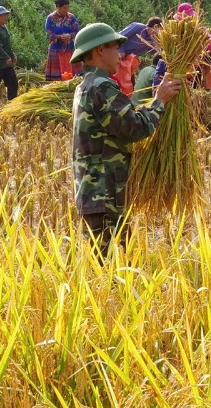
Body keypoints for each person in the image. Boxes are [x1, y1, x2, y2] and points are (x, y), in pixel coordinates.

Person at [71, 23, 181, 254]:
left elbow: (119, 120)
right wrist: (159, 101)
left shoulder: (86, 86)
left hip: (98, 194)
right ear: (100, 50)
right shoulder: (101, 87)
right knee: (109, 269)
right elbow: (135, 127)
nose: (120, 55)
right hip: (104, 193)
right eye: (115, 47)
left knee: (111, 263)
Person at [45, 0, 80, 81]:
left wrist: (70, 36)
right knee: (56, 79)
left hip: (69, 50)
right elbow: (49, 35)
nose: (66, 10)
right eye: (64, 8)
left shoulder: (71, 17)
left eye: (68, 8)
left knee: (72, 77)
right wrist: (60, 37)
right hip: (56, 51)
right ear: (57, 7)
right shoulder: (51, 18)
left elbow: (77, 31)